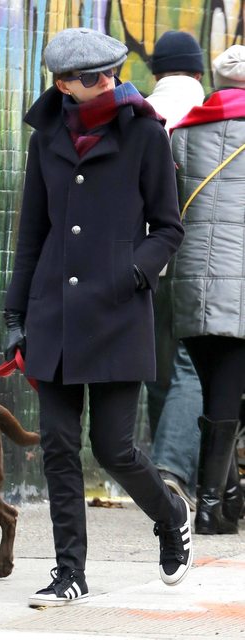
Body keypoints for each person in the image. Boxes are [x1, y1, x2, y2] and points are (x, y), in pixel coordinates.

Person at [3, 27, 192, 608]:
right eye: (92, 76)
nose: (107, 82)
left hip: (117, 315)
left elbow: (168, 228)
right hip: (54, 317)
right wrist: (15, 316)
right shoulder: (46, 139)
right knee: (58, 447)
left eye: (111, 71)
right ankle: (70, 573)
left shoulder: (145, 133)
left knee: (113, 449)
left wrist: (132, 272)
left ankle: (171, 516)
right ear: (65, 85)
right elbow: (32, 234)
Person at [168, 44, 245, 535]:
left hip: (189, 281)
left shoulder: (181, 134)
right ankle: (211, 507)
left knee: (219, 389)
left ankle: (229, 497)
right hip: (240, 286)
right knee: (226, 394)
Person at [143, 31, 206, 508]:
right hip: (201, 260)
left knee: (159, 369)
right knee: (196, 366)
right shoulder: (212, 119)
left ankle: (162, 473)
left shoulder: (138, 116)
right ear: (199, 72)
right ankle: (174, 470)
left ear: (156, 71)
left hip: (144, 260)